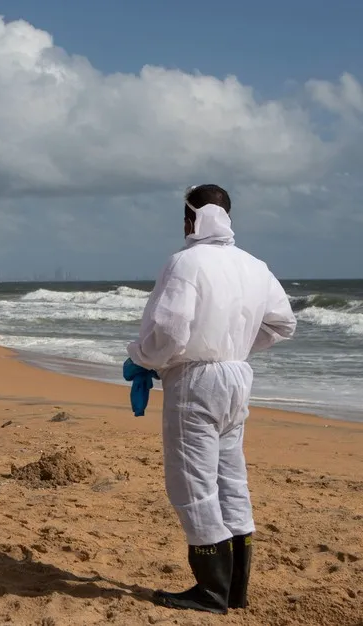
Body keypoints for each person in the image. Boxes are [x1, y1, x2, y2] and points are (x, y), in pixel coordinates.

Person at [126, 185, 297, 615]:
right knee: (230, 478)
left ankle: (211, 590)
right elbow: (282, 324)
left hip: (195, 377)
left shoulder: (186, 262)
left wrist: (143, 359)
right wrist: (234, 344)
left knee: (192, 483)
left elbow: (170, 331)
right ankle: (236, 588)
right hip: (237, 374)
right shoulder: (255, 266)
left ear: (190, 219)